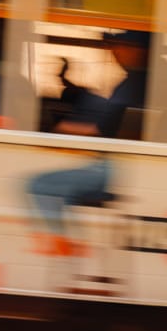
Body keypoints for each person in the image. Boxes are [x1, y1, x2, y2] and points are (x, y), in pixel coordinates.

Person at [25, 30, 152, 254]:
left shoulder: (135, 84)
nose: (115, 52)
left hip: (112, 168)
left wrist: (52, 130)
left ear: (139, 51)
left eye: (122, 46)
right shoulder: (136, 82)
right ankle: (72, 241)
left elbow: (100, 130)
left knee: (39, 185)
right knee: (62, 188)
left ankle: (65, 243)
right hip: (119, 164)